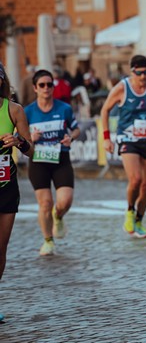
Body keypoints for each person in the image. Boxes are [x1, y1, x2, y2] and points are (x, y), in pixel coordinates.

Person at [100, 55, 146, 238]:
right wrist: (107, 137)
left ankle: (139, 221)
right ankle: (130, 210)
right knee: (136, 179)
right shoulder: (122, 87)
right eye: (139, 73)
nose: (142, 77)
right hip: (128, 139)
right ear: (132, 72)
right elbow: (105, 109)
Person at [25, 69, 80, 256]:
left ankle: (58, 217)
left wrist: (70, 138)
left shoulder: (64, 108)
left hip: (60, 158)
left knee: (65, 201)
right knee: (45, 203)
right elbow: (19, 137)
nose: (46, 88)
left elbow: (76, 129)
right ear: (35, 88)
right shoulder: (28, 111)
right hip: (38, 160)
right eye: (42, 85)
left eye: (50, 84)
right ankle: (48, 240)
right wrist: (30, 137)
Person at [0, 62, 34, 321]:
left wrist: (18, 141)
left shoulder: (13, 110)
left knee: (1, 248)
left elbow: (30, 149)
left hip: (6, 185)